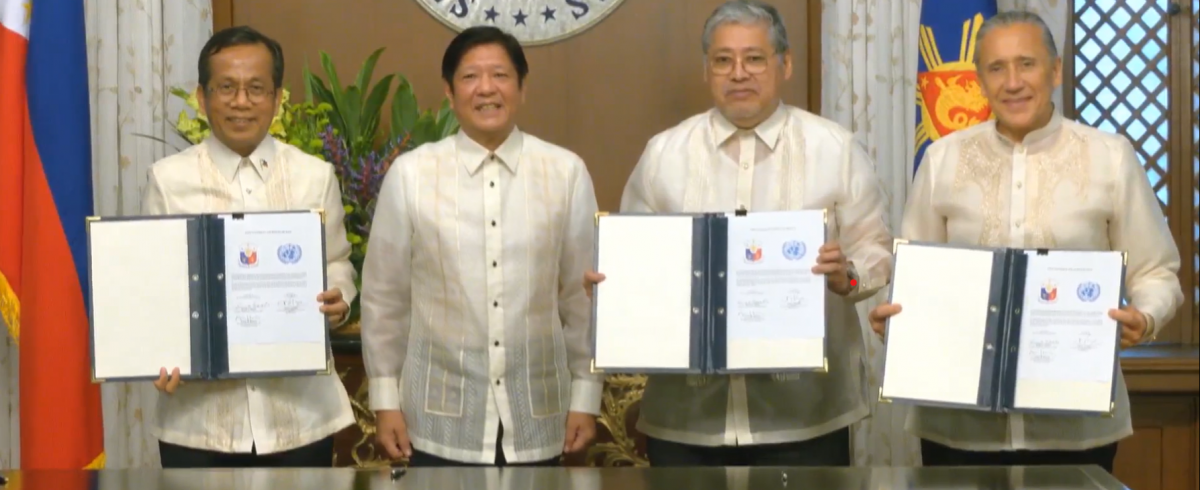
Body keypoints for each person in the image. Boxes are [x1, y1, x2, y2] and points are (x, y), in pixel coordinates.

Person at [867, 11, 1183, 473]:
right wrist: (896, 314)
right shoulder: (942, 159)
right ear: (979, 80)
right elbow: (914, 275)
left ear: (1055, 71)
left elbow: (1157, 271)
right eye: (996, 68)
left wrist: (1146, 315)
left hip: (1076, 426)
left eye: (1027, 64)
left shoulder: (1109, 157)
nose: (1012, 82)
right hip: (958, 430)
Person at [584, 0, 892, 466]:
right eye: (723, 60)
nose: (738, 73)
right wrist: (614, 290)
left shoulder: (835, 149)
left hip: (806, 414)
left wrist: (845, 276)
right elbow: (635, 262)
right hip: (687, 417)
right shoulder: (665, 153)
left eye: (754, 58)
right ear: (707, 69)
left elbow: (876, 250)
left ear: (785, 64)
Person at [360, 25, 601, 467]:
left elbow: (580, 297)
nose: (486, 89)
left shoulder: (565, 172)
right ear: (449, 94)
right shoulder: (412, 175)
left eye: (500, 76)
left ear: (522, 88)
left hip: (539, 413)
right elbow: (384, 296)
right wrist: (384, 398)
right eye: (470, 77)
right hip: (436, 419)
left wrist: (586, 393)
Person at [142, 26, 357, 468]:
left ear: (277, 98)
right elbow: (156, 287)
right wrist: (156, 352)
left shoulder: (314, 176)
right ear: (202, 98)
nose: (241, 101)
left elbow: (337, 262)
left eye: (256, 88)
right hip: (199, 422)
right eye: (226, 88)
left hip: (299, 416)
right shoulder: (168, 180)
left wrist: (341, 300)